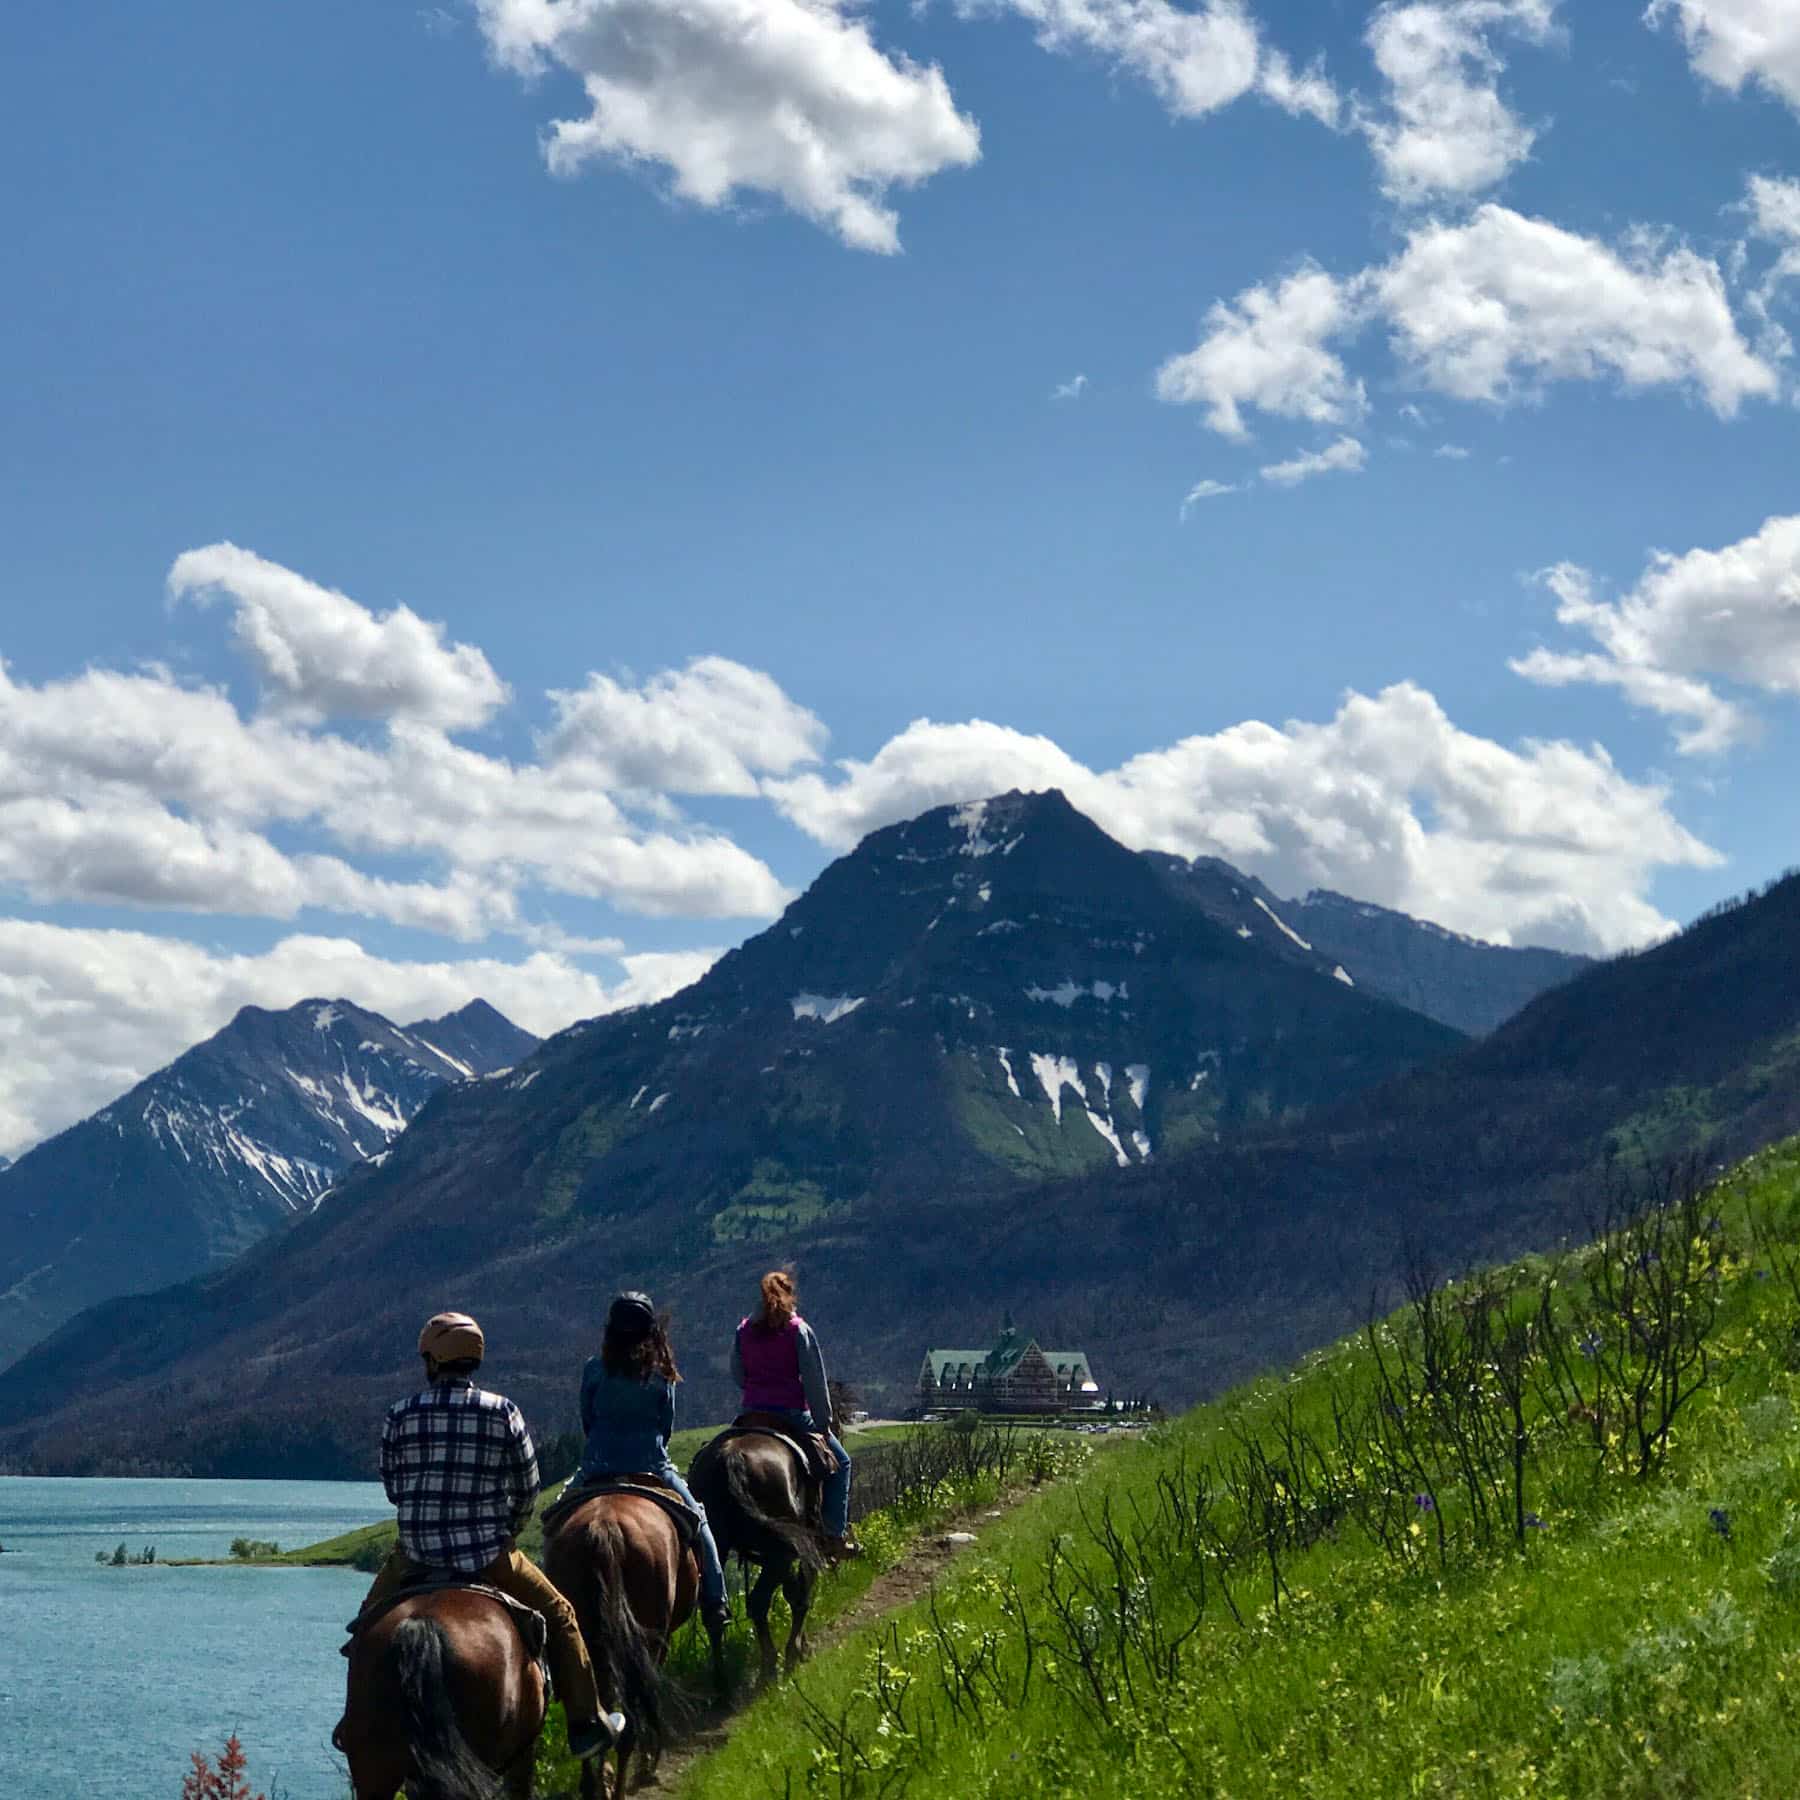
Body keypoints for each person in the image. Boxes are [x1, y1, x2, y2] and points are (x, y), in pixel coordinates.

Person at [348, 1311, 624, 1760]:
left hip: (414, 1558)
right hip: (489, 1556)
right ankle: (586, 1723)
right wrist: (508, 1528)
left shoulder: (400, 1415)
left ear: (432, 1359)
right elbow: (527, 1485)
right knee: (560, 1615)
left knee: (363, 1632)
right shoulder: (503, 1411)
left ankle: (355, 1724)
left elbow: (394, 1487)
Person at [575, 1291, 731, 1633]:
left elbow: (587, 1420)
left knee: (551, 1528)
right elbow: (666, 1423)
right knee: (700, 1525)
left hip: (597, 1467)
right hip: (651, 1466)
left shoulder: (594, 1369)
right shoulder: (660, 1372)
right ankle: (716, 1600)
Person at [730, 1270, 858, 1557]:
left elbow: (738, 1375)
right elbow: (814, 1381)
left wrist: (757, 1387)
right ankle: (833, 1536)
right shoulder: (798, 1330)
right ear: (791, 1295)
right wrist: (823, 1425)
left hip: (751, 1413)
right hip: (791, 1413)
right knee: (842, 1464)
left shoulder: (743, 1330)